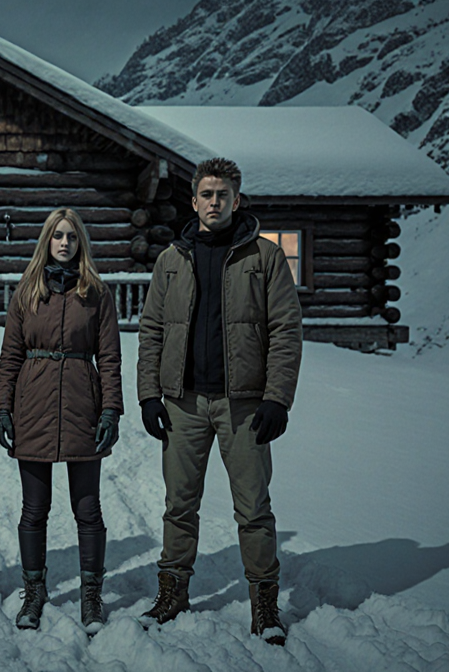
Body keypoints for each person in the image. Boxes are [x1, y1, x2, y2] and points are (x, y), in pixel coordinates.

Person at [136, 157, 302, 645]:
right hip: (184, 403)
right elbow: (150, 331)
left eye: (222, 194)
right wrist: (149, 394)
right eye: (206, 194)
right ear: (194, 201)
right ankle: (172, 592)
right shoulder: (171, 259)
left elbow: (286, 331)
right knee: (178, 506)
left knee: (253, 508)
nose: (214, 202)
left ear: (236, 199)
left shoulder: (265, 258)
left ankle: (264, 604)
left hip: (244, 406)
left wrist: (278, 399)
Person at [0, 207, 123, 634]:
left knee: (88, 510)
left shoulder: (96, 294)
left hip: (84, 403)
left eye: (71, 237)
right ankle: (34, 591)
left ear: (80, 242)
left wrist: (111, 409)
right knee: (35, 509)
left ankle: (90, 596)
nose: (65, 243)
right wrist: (2, 408)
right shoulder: (27, 292)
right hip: (34, 406)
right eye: (57, 236)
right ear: (46, 241)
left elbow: (110, 359)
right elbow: (10, 355)